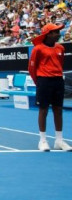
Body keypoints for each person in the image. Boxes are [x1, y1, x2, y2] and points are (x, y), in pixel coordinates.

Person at [29, 23, 72, 152]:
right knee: (43, 110)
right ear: (48, 34)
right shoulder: (38, 49)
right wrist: (40, 82)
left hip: (58, 81)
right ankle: (42, 140)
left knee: (58, 110)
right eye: (56, 32)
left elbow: (60, 64)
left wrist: (56, 76)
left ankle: (59, 140)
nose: (59, 34)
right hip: (44, 81)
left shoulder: (61, 48)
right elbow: (31, 68)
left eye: (59, 31)